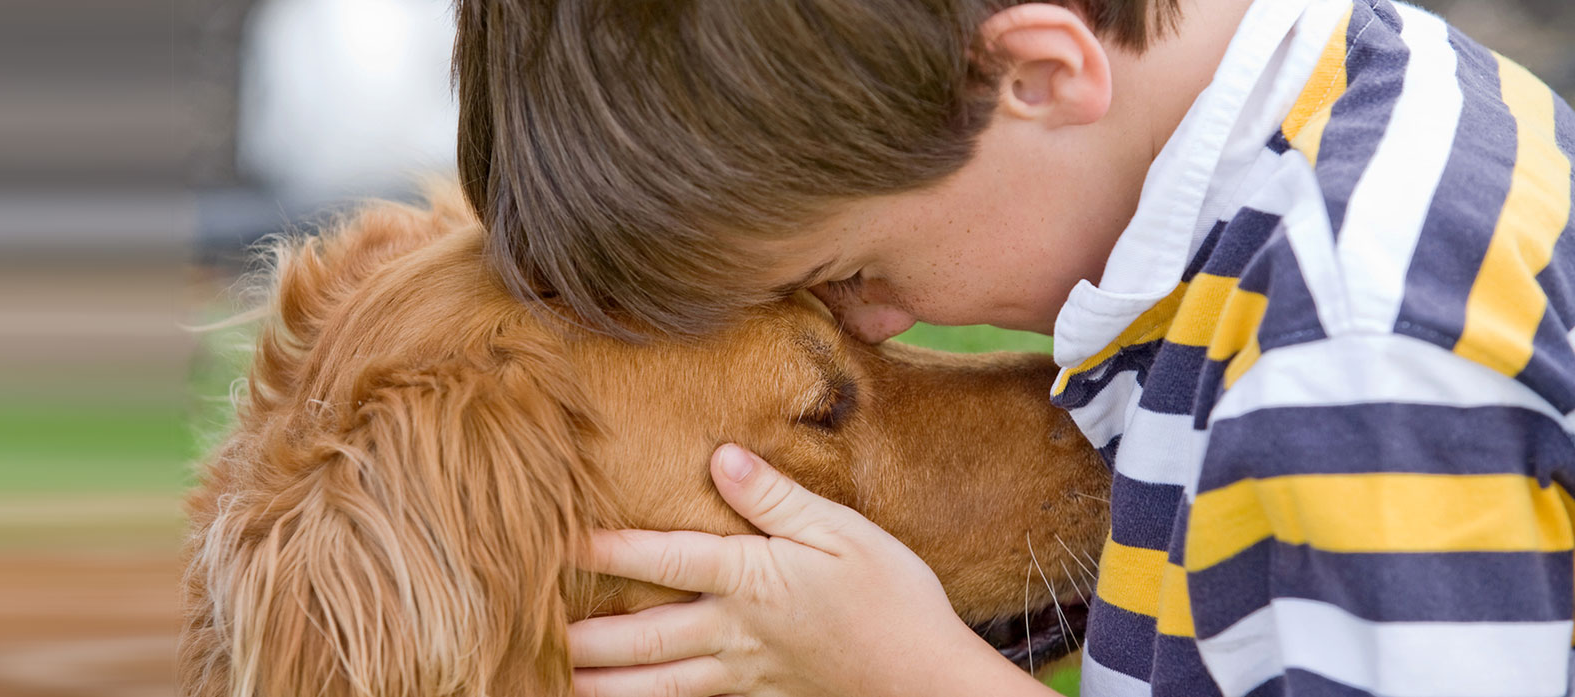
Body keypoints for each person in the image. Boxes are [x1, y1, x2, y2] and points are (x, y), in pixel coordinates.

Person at [451, 0, 1575, 694]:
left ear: (1034, 78)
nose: (879, 320)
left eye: (854, 275)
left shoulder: (1350, 348)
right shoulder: (1393, 112)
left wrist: (904, 675)